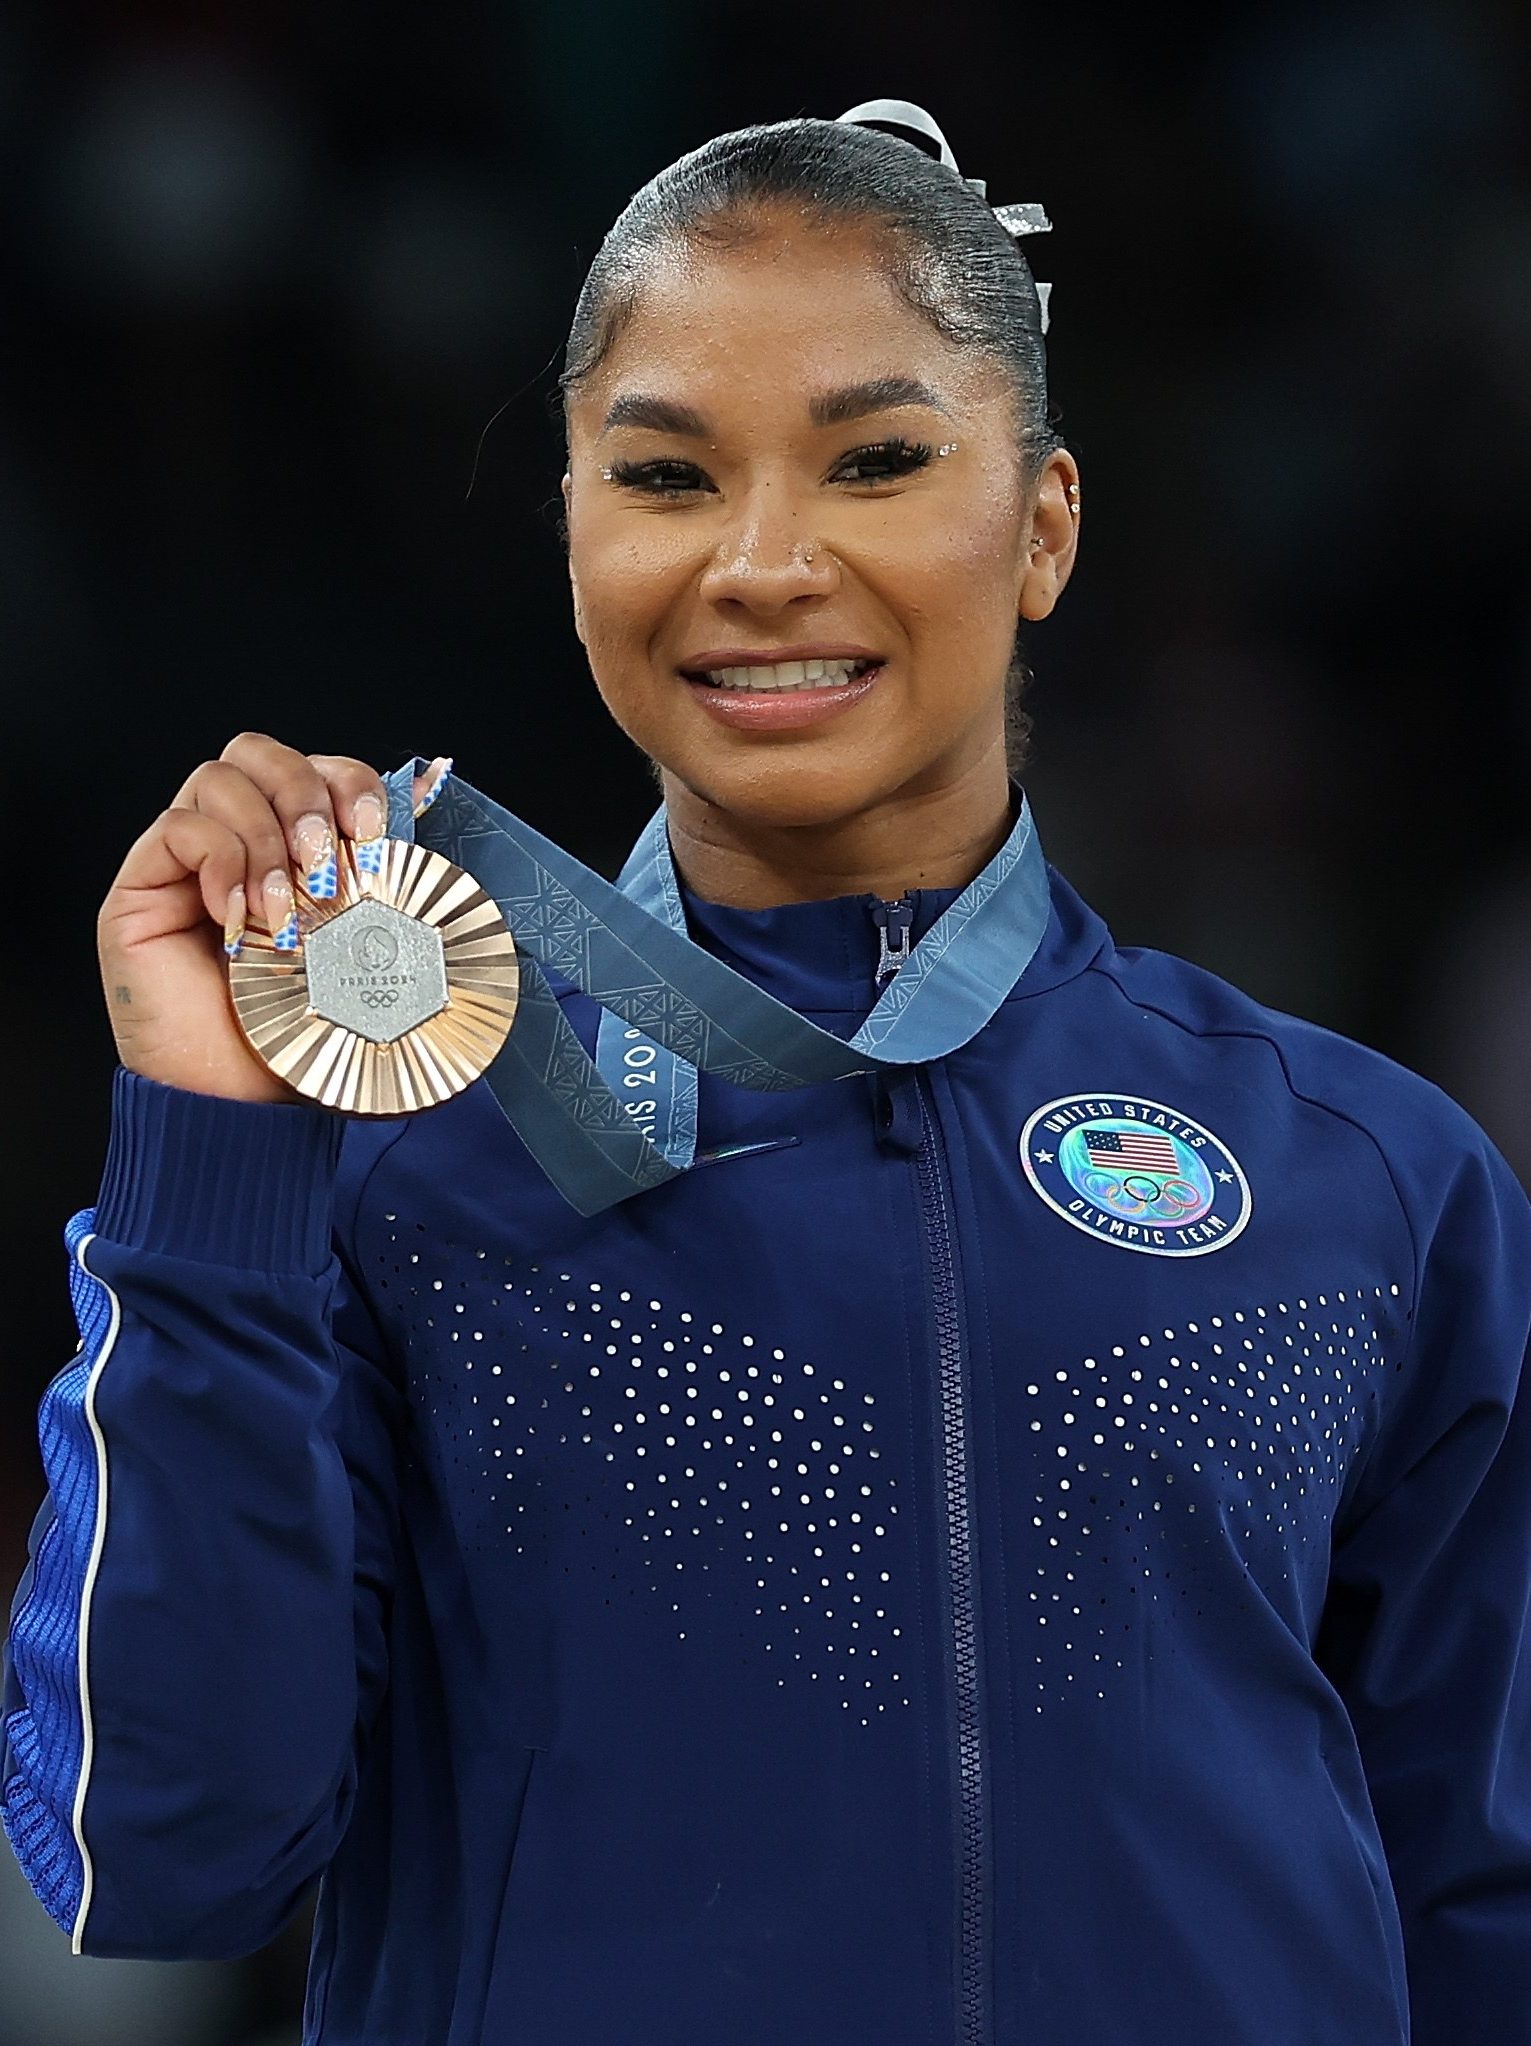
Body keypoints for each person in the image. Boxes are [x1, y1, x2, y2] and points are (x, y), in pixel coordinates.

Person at [5, 99, 1530, 2046]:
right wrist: (210, 1153)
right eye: (662, 476)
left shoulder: (1364, 1183)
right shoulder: (383, 1161)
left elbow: (1489, 1912)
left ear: (1044, 521)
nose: (761, 561)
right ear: (572, 534)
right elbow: (159, 1854)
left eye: (878, 460)